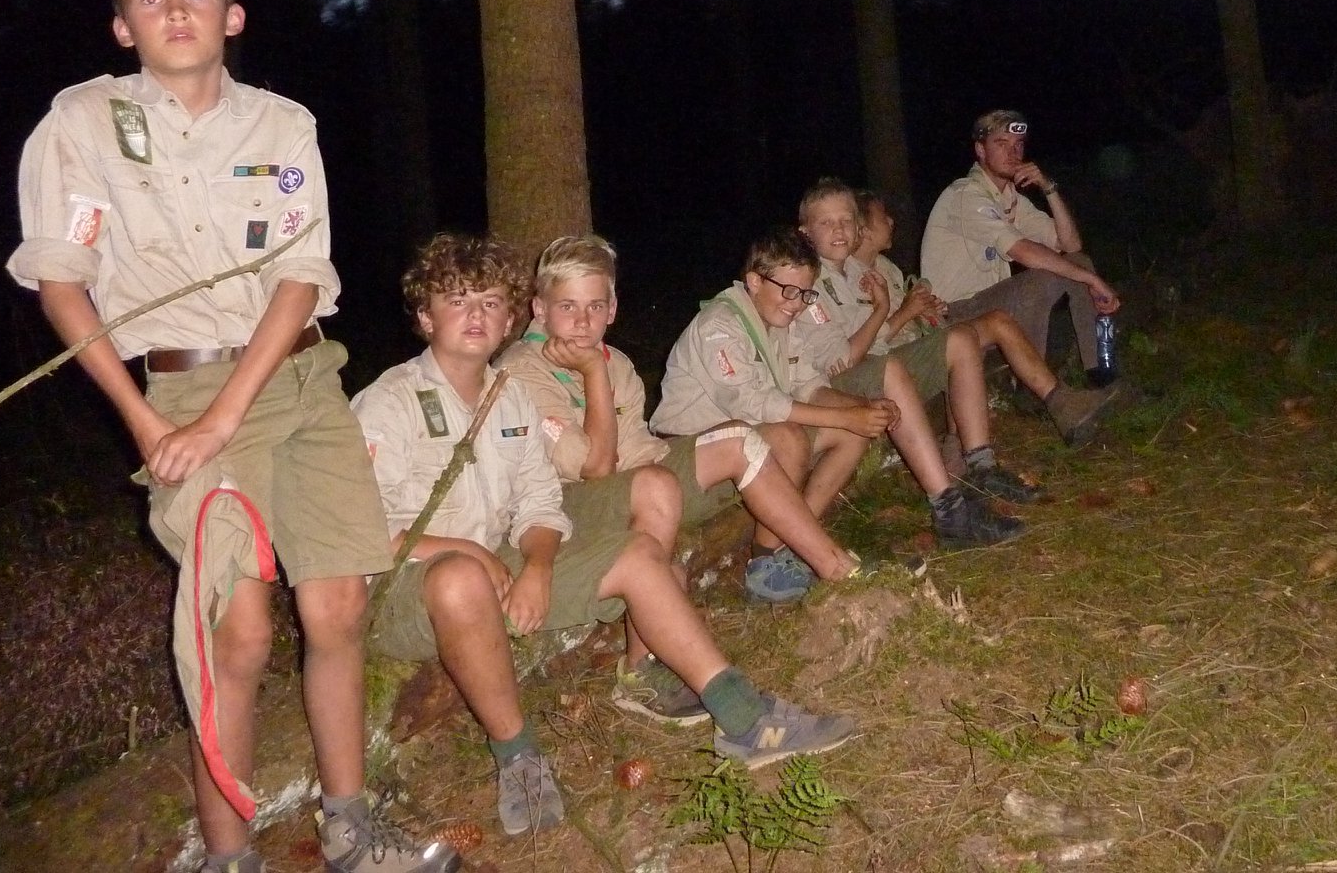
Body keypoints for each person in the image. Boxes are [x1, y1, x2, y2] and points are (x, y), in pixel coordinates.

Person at [8, 0, 456, 873]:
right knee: (236, 631)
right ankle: (228, 854)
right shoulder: (82, 124)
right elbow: (60, 280)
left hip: (300, 377)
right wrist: (145, 418)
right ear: (123, 26)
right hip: (180, 384)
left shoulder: (282, 125)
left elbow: (301, 273)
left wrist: (227, 416)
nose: (176, 11)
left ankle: (349, 823)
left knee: (337, 608)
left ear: (232, 13)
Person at [356, 234, 859, 812]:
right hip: (410, 587)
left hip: (498, 556)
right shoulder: (389, 402)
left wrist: (540, 563)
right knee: (459, 578)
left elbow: (541, 503)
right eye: (458, 301)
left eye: (492, 302)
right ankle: (518, 757)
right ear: (424, 316)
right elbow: (367, 531)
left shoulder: (505, 399)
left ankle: (744, 717)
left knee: (642, 557)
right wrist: (476, 557)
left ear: (511, 315)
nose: (477, 316)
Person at [500, 233, 863, 616]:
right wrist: (592, 373)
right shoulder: (522, 370)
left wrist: (686, 467)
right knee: (658, 483)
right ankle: (838, 569)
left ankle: (815, 563)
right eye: (567, 306)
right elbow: (596, 468)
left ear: (612, 309)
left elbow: (640, 448)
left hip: (634, 476)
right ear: (539, 309)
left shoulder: (616, 362)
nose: (582, 321)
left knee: (739, 438)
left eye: (595, 306)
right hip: (567, 505)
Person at [651, 228, 1023, 596]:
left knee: (849, 432)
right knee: (788, 437)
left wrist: (860, 410)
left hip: (747, 441)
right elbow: (755, 404)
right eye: (788, 291)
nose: (796, 304)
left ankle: (784, 552)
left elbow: (811, 386)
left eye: (804, 294)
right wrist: (844, 416)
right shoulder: (720, 324)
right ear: (753, 281)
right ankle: (776, 564)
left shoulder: (780, 322)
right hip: (690, 453)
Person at [841, 185, 1114, 448]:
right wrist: (906, 313)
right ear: (863, 230)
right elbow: (860, 347)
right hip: (891, 367)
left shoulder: (887, 269)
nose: (890, 220)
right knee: (964, 340)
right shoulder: (848, 276)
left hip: (919, 345)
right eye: (882, 216)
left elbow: (911, 319)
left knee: (997, 321)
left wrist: (925, 309)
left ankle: (1062, 403)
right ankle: (962, 449)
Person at [921, 109, 1123, 383]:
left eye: (1018, 146)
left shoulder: (1010, 199)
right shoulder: (965, 194)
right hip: (955, 315)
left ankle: (1101, 375)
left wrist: (1048, 187)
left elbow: (1071, 244)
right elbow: (1024, 252)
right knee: (1040, 281)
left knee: (1078, 263)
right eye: (1001, 144)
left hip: (990, 305)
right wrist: (1093, 280)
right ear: (980, 150)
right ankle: (1032, 389)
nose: (1013, 153)